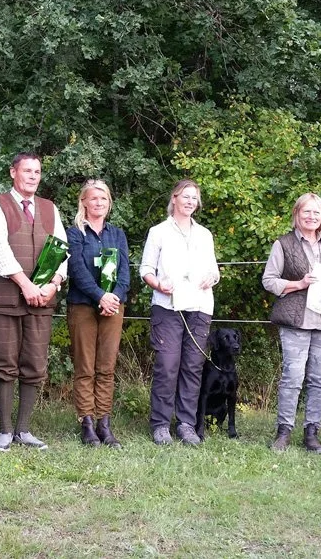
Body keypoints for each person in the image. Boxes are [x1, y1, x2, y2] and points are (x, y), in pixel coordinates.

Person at [0, 152, 67, 451]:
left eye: (37, 172)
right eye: (27, 170)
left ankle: (23, 430)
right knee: (4, 363)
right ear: (13, 172)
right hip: (4, 300)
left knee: (35, 363)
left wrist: (54, 284)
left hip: (41, 301)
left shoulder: (49, 208)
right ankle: (5, 431)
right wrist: (25, 284)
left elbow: (61, 250)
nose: (33, 176)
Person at [262, 192, 321, 453]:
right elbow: (269, 280)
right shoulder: (283, 244)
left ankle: (312, 433)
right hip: (295, 320)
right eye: (306, 211)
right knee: (293, 378)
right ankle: (283, 432)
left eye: (316, 212)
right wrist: (298, 284)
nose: (311, 216)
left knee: (319, 380)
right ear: (297, 214)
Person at [140, 179, 219, 446]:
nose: (190, 202)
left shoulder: (204, 234)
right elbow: (146, 270)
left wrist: (212, 277)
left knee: (193, 367)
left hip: (200, 307)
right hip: (168, 308)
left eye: (194, 198)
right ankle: (161, 424)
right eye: (185, 196)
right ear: (174, 198)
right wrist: (158, 284)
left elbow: (214, 270)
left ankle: (186, 424)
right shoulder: (158, 232)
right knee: (167, 365)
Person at [66, 179, 130, 448]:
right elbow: (76, 270)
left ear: (109, 203)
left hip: (113, 307)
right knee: (85, 367)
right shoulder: (74, 233)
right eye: (93, 198)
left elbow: (125, 272)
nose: (99, 203)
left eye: (103, 198)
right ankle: (87, 423)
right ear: (84, 202)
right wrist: (99, 296)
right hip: (83, 305)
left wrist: (113, 298)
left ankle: (104, 423)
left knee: (106, 367)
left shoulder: (117, 234)